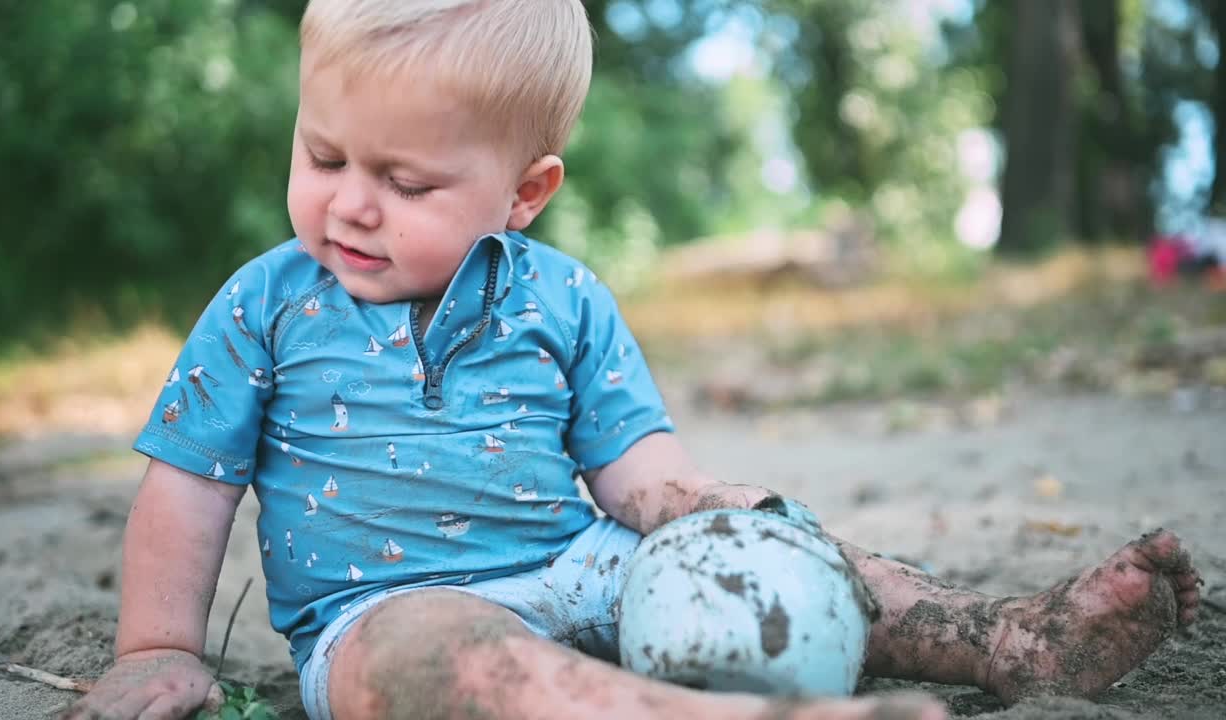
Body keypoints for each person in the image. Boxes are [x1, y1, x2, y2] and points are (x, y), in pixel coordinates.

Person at [64, 2, 1202, 719]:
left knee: (772, 553)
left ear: (523, 193)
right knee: (441, 665)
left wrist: (709, 507)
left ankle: (1002, 636)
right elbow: (188, 485)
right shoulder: (266, 303)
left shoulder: (560, 297)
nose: (351, 204)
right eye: (322, 157)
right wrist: (157, 646)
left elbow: (634, 468)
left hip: (579, 566)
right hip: (384, 610)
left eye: (405, 184)